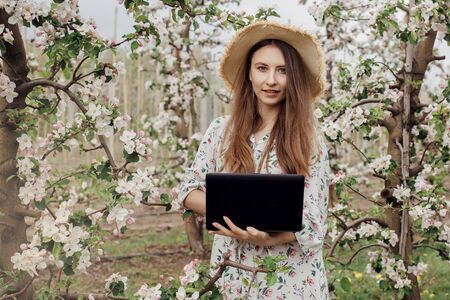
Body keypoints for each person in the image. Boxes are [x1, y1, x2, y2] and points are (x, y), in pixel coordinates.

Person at [176, 21, 330, 299]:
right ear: (248, 73)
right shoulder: (222, 131)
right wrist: (238, 212)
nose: (271, 80)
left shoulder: (309, 139)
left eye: (282, 70)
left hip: (291, 279)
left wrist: (270, 237)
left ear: (292, 78)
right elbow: (188, 191)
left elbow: (316, 222)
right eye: (262, 68)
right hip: (233, 275)